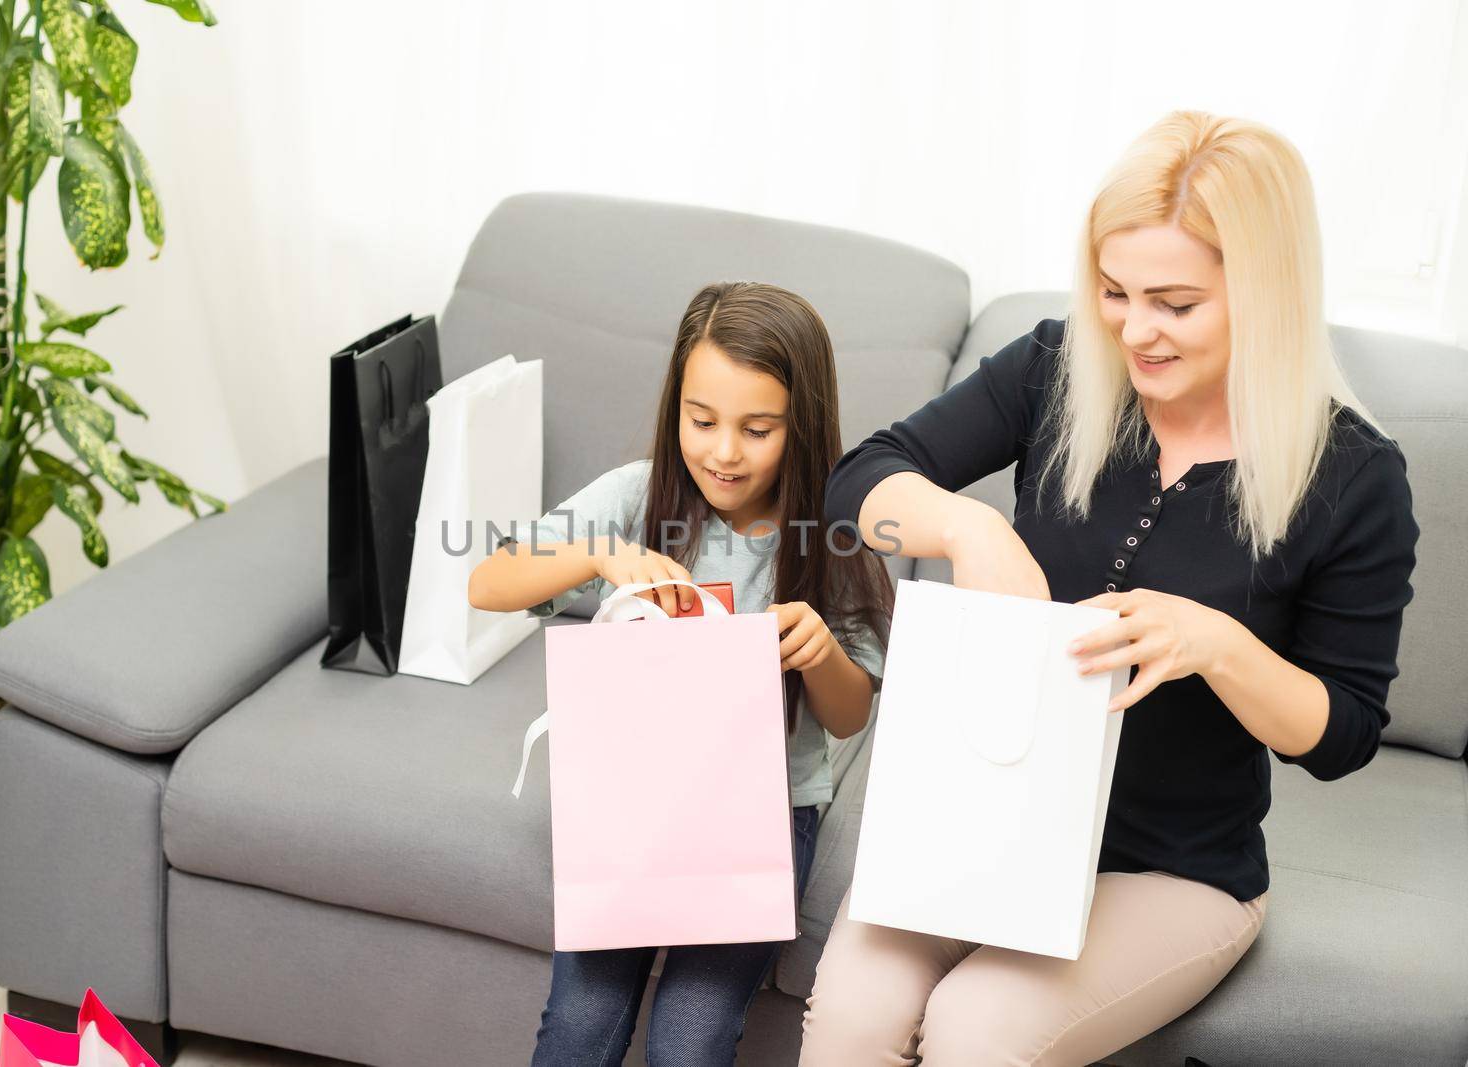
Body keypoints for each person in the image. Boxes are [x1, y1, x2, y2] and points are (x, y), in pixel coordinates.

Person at [800, 110, 1420, 1066]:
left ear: (1266, 295)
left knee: (975, 1029)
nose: (1135, 330)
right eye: (1114, 291)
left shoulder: (1352, 476)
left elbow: (1340, 735)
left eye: (1175, 302)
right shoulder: (1056, 369)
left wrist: (1217, 642)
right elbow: (857, 486)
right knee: (849, 1015)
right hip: (980, 827)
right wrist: (969, 526)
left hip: (1174, 873)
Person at [468, 280, 893, 1066]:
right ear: (676, 411)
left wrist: (821, 652)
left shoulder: (837, 529)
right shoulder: (640, 497)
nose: (724, 451)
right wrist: (599, 552)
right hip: (634, 797)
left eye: (757, 428)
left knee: (689, 1040)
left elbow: (849, 715)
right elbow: (487, 582)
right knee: (579, 1025)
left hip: (766, 807)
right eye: (702, 421)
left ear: (802, 424)